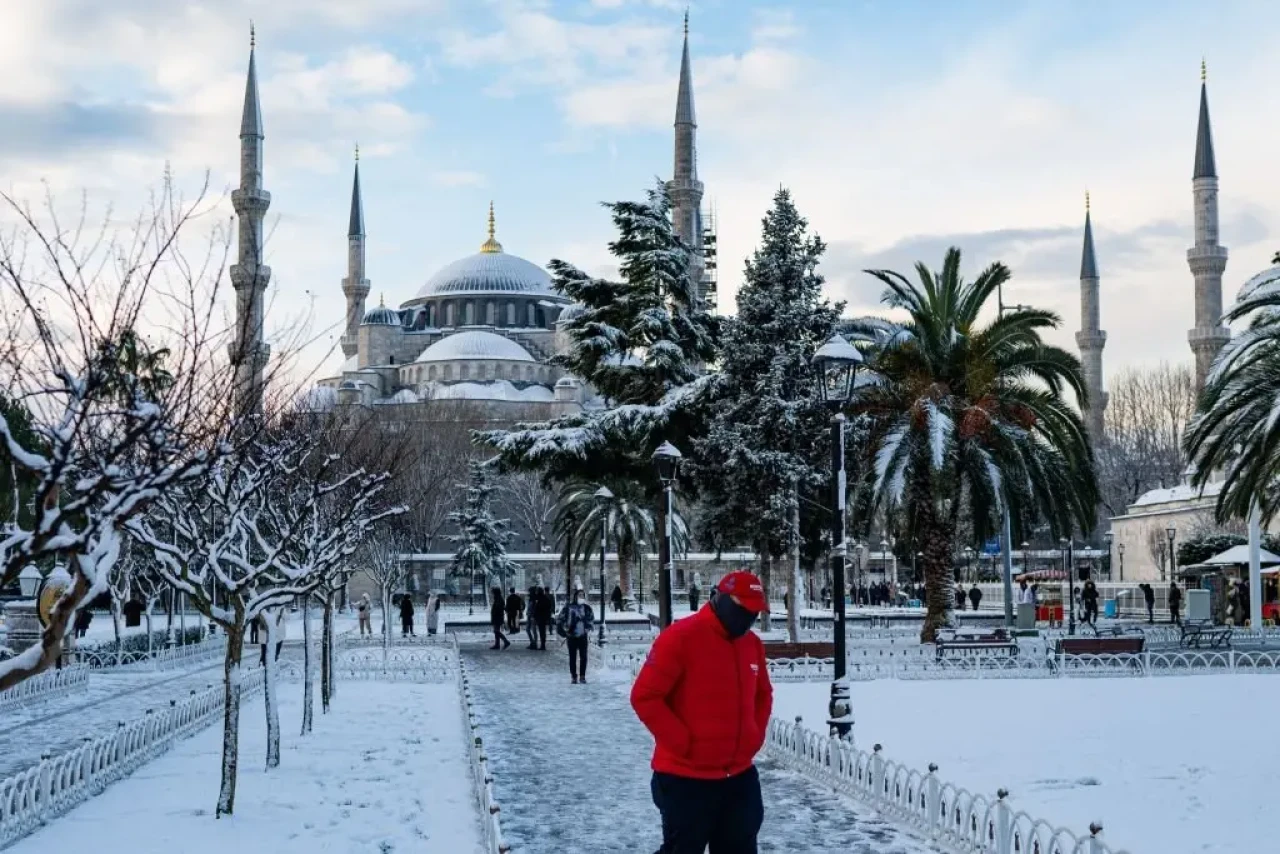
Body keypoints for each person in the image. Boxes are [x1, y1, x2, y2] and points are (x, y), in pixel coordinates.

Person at [630, 570, 771, 854]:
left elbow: (762, 694)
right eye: (743, 609)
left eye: (755, 612)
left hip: (739, 777)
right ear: (720, 600)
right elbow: (645, 696)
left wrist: (753, 737)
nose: (749, 619)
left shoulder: (751, 644)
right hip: (686, 779)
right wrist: (684, 743)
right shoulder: (681, 638)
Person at [556, 587, 595, 683]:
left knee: (583, 657)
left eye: (583, 596)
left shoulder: (586, 608)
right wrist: (566, 629)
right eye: (580, 595)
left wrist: (587, 627)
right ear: (575, 596)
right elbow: (560, 619)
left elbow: (591, 619)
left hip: (582, 636)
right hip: (571, 636)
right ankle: (573, 676)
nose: (581, 597)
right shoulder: (568, 608)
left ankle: (582, 676)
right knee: (572, 657)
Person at [533, 585, 554, 650]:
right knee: (543, 631)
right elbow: (550, 606)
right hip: (545, 617)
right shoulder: (546, 598)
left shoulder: (539, 599)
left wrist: (535, 615)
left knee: (541, 631)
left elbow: (537, 608)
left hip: (540, 617)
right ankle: (543, 644)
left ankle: (543, 645)